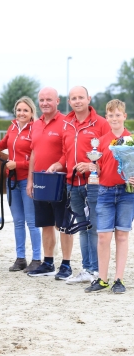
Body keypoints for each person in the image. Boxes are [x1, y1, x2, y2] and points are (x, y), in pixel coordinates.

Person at [49, 86, 110, 284]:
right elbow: (66, 153)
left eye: (80, 97)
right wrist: (58, 164)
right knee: (82, 228)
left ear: (88, 99)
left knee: (93, 227)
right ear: (70, 101)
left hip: (93, 183)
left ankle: (96, 269)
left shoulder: (101, 123)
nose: (77, 101)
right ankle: (86, 269)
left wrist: (93, 165)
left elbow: (109, 153)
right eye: (73, 98)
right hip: (72, 183)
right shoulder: (66, 123)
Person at [85, 99, 134, 293]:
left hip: (126, 193)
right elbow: (100, 166)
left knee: (122, 235)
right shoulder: (101, 140)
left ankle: (119, 279)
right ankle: (102, 279)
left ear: (124, 116)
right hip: (104, 191)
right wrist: (93, 167)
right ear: (106, 117)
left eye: (118, 114)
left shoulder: (130, 139)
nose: (114, 118)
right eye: (111, 115)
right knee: (103, 236)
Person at [26, 87, 73, 279]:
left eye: (49, 100)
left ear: (57, 101)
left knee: (63, 225)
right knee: (45, 224)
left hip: (60, 181)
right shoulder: (35, 124)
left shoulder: (66, 123)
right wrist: (30, 180)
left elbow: (68, 151)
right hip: (40, 181)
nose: (45, 103)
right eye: (42, 99)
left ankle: (66, 265)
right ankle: (48, 262)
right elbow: (34, 153)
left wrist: (58, 165)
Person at [0, 96, 41, 272]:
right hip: (12, 180)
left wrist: (19, 164)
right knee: (18, 222)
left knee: (31, 221)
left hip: (27, 180)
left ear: (31, 113)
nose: (21, 113)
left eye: (25, 110)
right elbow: (0, 145)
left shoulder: (35, 129)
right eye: (19, 110)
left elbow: (37, 157)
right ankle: (20, 258)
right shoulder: (12, 126)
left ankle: (36, 259)